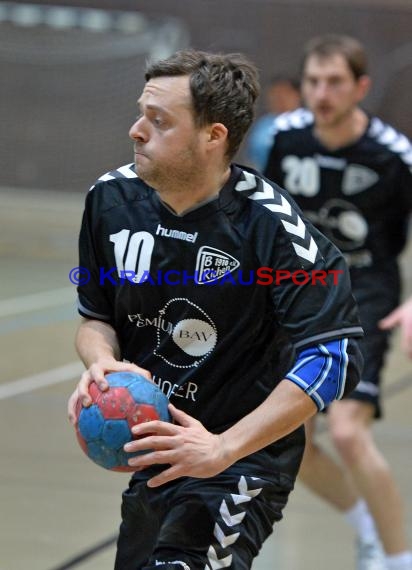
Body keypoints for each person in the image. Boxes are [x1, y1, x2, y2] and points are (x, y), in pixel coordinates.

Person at [67, 49, 364, 570]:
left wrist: (223, 448)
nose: (137, 130)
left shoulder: (274, 231)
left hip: (242, 457)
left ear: (214, 135)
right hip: (160, 453)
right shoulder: (110, 201)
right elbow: (97, 317)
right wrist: (100, 363)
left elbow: (333, 356)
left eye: (159, 121)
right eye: (141, 113)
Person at [264, 34, 412, 570]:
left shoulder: (394, 156)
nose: (322, 93)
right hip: (297, 298)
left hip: (364, 298)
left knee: (348, 432)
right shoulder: (283, 138)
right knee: (290, 440)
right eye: (313, 81)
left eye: (335, 82)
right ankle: (367, 525)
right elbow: (264, 217)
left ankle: (398, 558)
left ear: (361, 88)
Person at [245, 75, 301, 171]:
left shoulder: (306, 121)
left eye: (285, 93)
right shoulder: (262, 124)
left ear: (298, 95)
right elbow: (252, 157)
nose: (280, 98)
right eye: (275, 93)